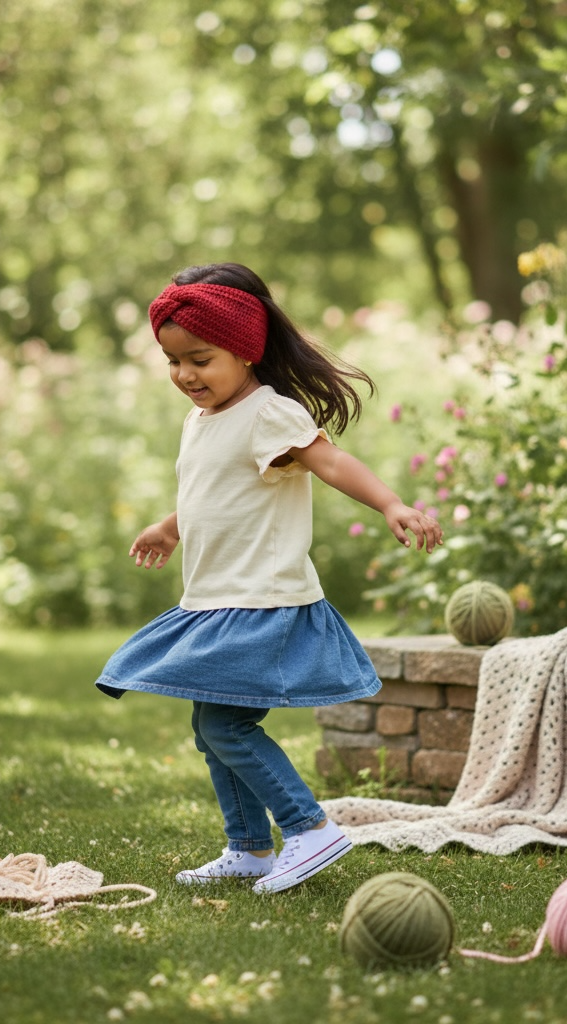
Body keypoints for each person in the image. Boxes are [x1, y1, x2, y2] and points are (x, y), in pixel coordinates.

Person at [95, 262, 442, 894]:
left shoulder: (269, 414)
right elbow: (218, 486)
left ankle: (310, 829)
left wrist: (392, 504)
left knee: (226, 727)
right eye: (173, 362)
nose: (185, 376)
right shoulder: (204, 419)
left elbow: (331, 461)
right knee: (211, 728)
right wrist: (170, 526)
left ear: (246, 350)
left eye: (200, 359)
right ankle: (250, 848)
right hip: (218, 601)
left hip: (263, 602)